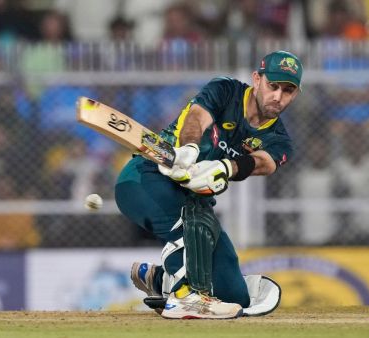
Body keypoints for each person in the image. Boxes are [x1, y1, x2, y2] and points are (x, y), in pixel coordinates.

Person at [115, 51, 302, 319]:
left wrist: (225, 168)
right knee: (190, 223)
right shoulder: (226, 89)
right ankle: (184, 296)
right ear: (257, 79)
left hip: (195, 202)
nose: (278, 96)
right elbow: (197, 117)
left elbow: (265, 162)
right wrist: (189, 148)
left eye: (288, 91)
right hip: (146, 178)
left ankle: (160, 281)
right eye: (273, 86)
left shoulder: (280, 139)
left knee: (234, 297)